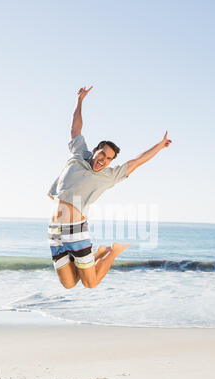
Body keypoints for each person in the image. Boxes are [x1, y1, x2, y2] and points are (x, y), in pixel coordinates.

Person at [48, 86, 172, 289]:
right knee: (69, 284)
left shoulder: (109, 176)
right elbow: (75, 128)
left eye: (108, 159)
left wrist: (159, 145)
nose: (103, 161)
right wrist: (80, 100)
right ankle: (97, 254)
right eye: (102, 155)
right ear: (95, 150)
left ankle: (113, 251)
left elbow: (137, 161)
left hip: (76, 231)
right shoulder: (79, 153)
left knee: (90, 283)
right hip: (54, 231)